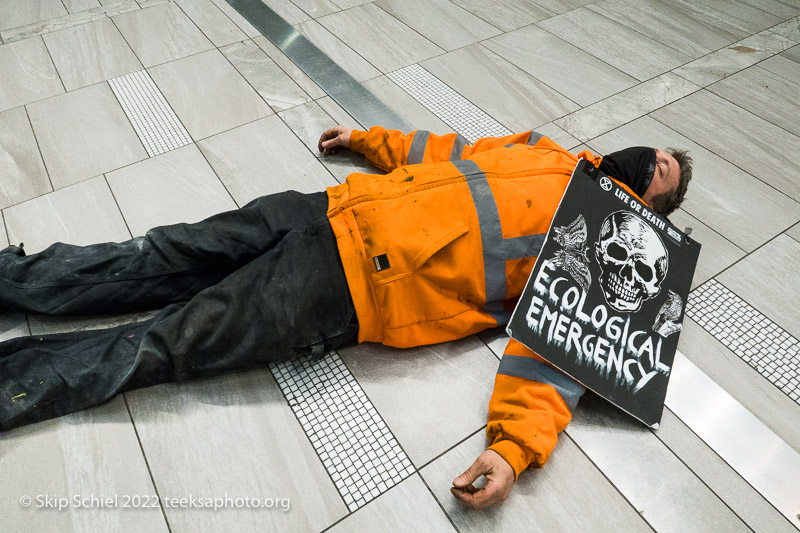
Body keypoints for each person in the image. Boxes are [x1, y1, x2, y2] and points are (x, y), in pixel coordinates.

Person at [0, 124, 691, 509]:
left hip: (354, 288)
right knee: (159, 252)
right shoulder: (549, 154)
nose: (653, 161)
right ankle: (14, 277)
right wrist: (371, 138)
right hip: (330, 209)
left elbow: (556, 356)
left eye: (663, 174)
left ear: (654, 209)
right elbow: (449, 153)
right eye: (658, 153)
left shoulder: (609, 250)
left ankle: (14, 384)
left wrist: (513, 448)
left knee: (169, 338)